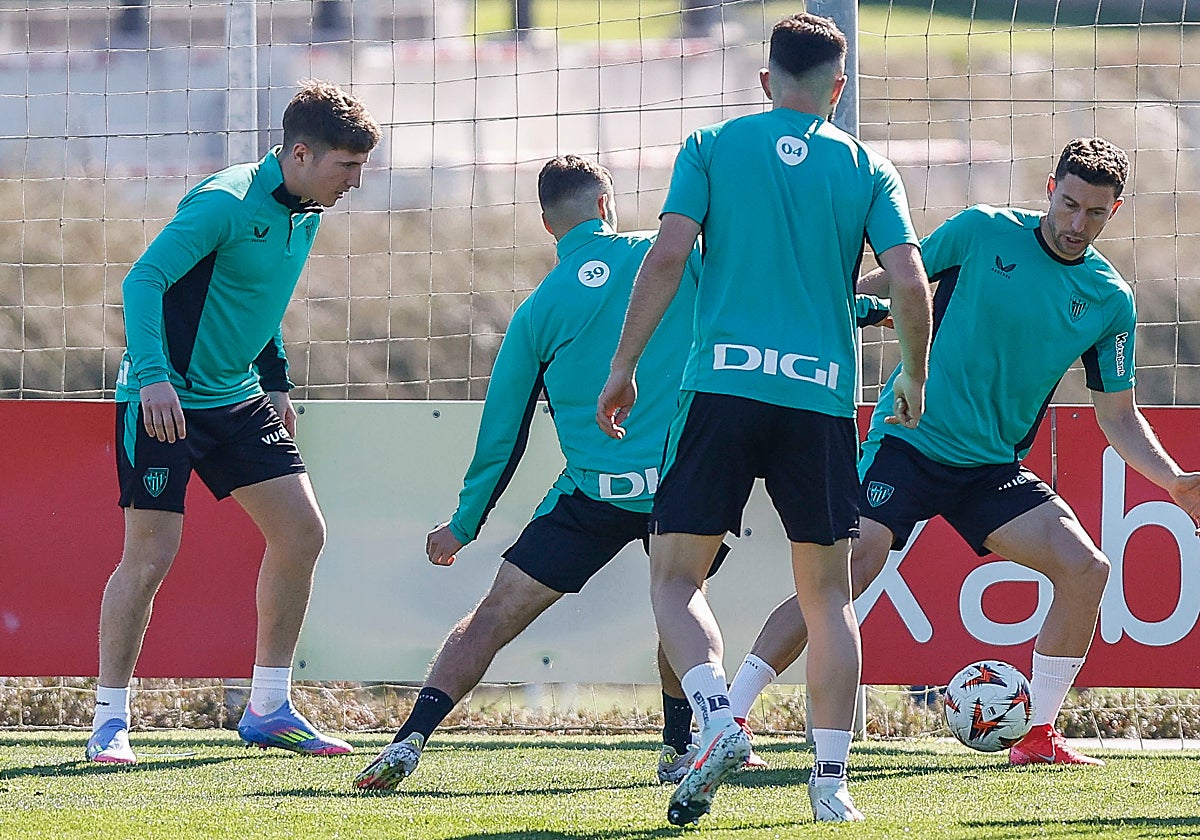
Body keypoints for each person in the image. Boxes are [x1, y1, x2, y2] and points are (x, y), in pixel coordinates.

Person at [723, 136, 1200, 766]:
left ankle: (1037, 736)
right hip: (909, 441)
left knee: (1087, 570)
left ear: (1114, 211)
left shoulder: (1109, 300)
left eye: (1093, 213)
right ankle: (729, 718)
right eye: (1068, 204)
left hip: (991, 470)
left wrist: (1174, 480)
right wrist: (830, 300)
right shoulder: (981, 231)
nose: (1075, 224)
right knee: (848, 571)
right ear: (1050, 189)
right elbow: (900, 277)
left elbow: (1118, 415)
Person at [597, 13, 932, 826]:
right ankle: (831, 785)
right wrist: (914, 375)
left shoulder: (711, 147)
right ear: (838, 88)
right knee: (829, 599)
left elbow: (667, 256)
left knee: (675, 577)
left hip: (723, 388)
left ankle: (716, 719)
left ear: (764, 79)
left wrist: (623, 366)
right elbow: (909, 280)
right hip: (819, 400)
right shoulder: (867, 166)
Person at [355, 155, 716, 790]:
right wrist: (861, 309)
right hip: (679, 484)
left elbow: (503, 437)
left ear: (548, 224)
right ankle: (681, 747)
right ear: (605, 204)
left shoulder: (537, 311)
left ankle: (409, 740)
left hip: (593, 493)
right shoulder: (670, 259)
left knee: (494, 614)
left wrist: (463, 525)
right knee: (680, 604)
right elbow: (759, 301)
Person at [86, 80, 381, 765]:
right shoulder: (225, 201)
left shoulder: (307, 210)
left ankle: (269, 708)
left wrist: (275, 383)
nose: (356, 182)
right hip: (164, 401)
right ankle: (109, 719)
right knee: (151, 556)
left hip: (238, 397)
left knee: (302, 533)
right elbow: (143, 281)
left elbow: (257, 300)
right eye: (347, 166)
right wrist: (155, 378)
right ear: (301, 154)